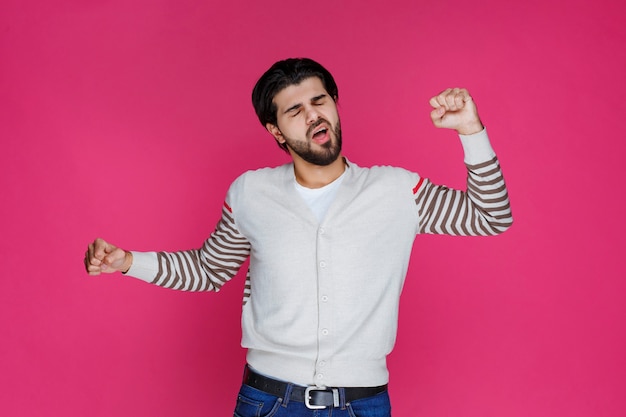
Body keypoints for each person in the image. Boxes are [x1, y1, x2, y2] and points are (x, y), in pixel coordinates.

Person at [84, 57, 512, 416]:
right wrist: (127, 262)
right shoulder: (250, 193)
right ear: (275, 131)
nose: (313, 115)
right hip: (268, 401)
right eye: (295, 111)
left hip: (363, 404)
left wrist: (471, 132)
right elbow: (208, 269)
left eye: (319, 101)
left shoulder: (397, 191)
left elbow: (491, 215)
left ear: (336, 105)